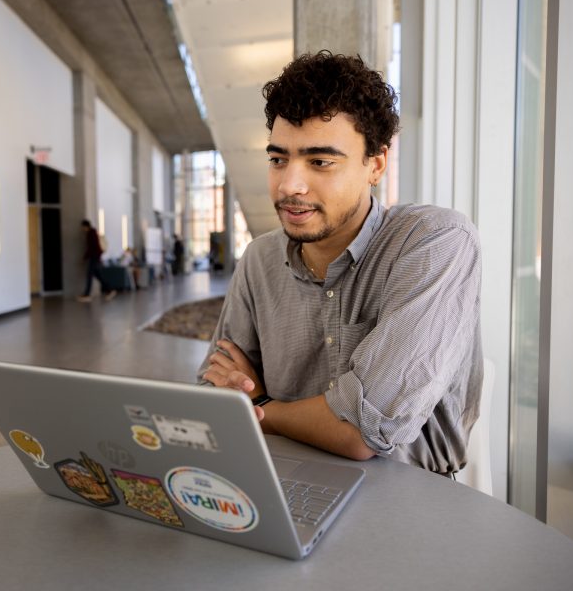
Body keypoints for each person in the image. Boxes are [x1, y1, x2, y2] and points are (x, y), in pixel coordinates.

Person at [199, 51, 483, 476]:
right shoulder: (259, 259)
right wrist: (249, 403)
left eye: (320, 162)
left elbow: (363, 431)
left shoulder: (436, 242)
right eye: (278, 159)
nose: (290, 184)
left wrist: (261, 405)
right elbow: (215, 394)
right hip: (284, 477)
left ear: (376, 164)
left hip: (412, 495)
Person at [77, 219, 117, 303]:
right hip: (95, 257)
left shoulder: (91, 233)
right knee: (97, 275)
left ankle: (87, 294)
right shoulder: (92, 233)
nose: (82, 229)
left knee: (89, 275)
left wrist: (85, 258)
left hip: (94, 257)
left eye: (83, 227)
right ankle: (110, 290)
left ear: (85, 226)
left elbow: (92, 247)